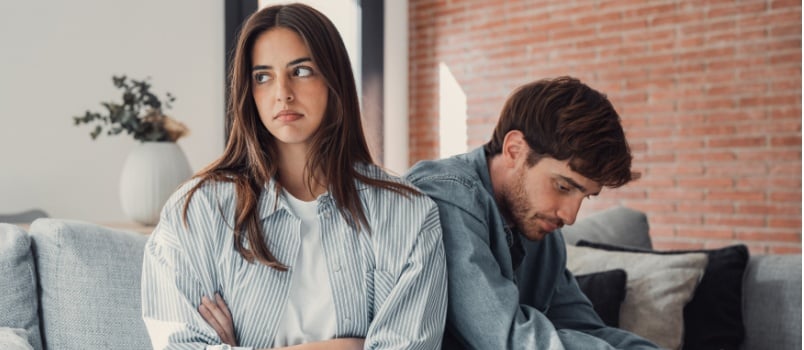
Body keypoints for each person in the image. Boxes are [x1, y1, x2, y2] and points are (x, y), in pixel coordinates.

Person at [140, 3, 447, 350]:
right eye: (262, 76)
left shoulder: (408, 213)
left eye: (301, 71)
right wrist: (351, 346)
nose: (282, 92)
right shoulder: (197, 211)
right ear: (248, 91)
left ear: (335, 80)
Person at [404, 76, 660, 349]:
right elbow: (508, 339)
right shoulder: (446, 195)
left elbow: (586, 328)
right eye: (562, 186)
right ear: (515, 150)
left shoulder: (541, 232)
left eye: (585, 196)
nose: (570, 216)